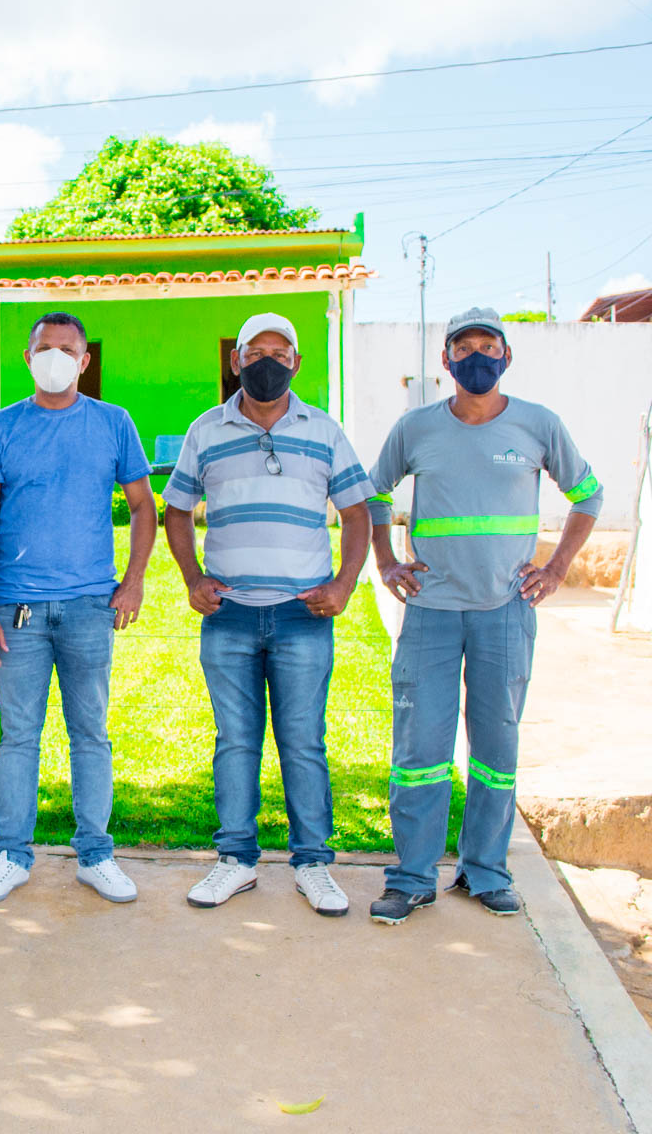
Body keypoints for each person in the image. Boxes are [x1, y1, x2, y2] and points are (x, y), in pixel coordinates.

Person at [365, 306, 601, 924]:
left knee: (496, 749)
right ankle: (412, 876)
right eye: (463, 346)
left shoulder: (538, 424)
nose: (477, 356)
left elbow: (588, 494)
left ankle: (484, 871)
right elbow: (374, 493)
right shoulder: (416, 428)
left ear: (506, 356)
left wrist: (556, 569)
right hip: (432, 613)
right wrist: (387, 561)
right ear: (445, 360)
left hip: (506, 611)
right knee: (420, 752)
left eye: (488, 345)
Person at [163, 313, 373, 916]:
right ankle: (235, 861)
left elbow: (358, 512)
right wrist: (192, 578)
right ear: (236, 360)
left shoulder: (325, 431)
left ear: (297, 364)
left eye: (282, 353)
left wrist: (345, 584)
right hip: (228, 615)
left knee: (304, 743)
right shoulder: (205, 430)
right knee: (235, 743)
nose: (269, 361)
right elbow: (177, 509)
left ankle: (313, 865)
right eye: (257, 351)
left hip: (304, 614)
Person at [0, 312, 155, 905]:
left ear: (85, 360)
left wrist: (134, 581)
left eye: (67, 349)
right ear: (27, 357)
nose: (55, 357)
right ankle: (11, 854)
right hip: (15, 608)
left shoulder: (113, 423)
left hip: (89, 607)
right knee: (18, 736)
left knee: (90, 732)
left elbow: (145, 507)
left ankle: (96, 854)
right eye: (44, 348)